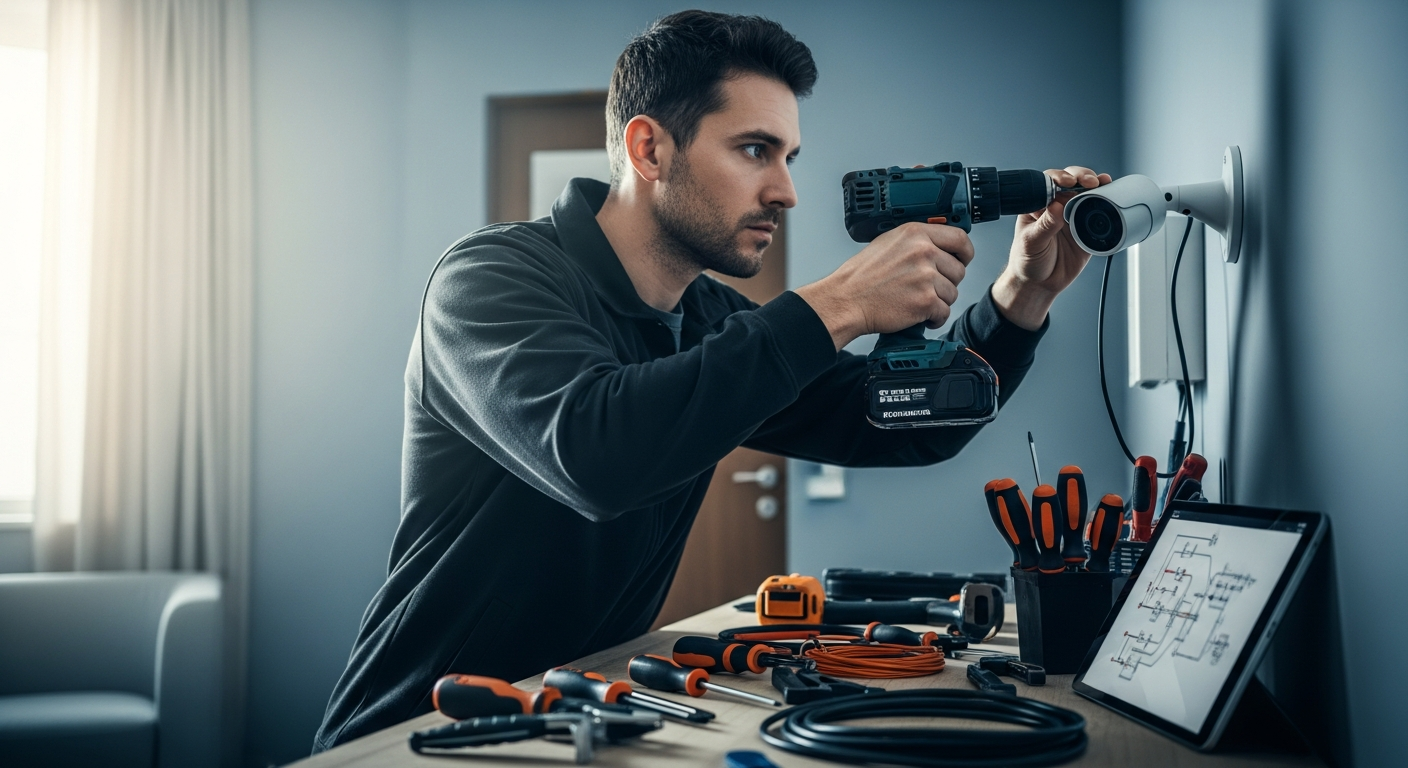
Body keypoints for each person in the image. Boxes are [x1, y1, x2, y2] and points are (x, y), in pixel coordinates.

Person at [313, 10, 1109, 751]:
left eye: (788, 157)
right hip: (416, 728)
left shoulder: (709, 318)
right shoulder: (489, 280)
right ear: (649, 149)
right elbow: (597, 453)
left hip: (573, 716)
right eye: (755, 150)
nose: (786, 191)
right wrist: (836, 303)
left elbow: (898, 423)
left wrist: (1021, 297)